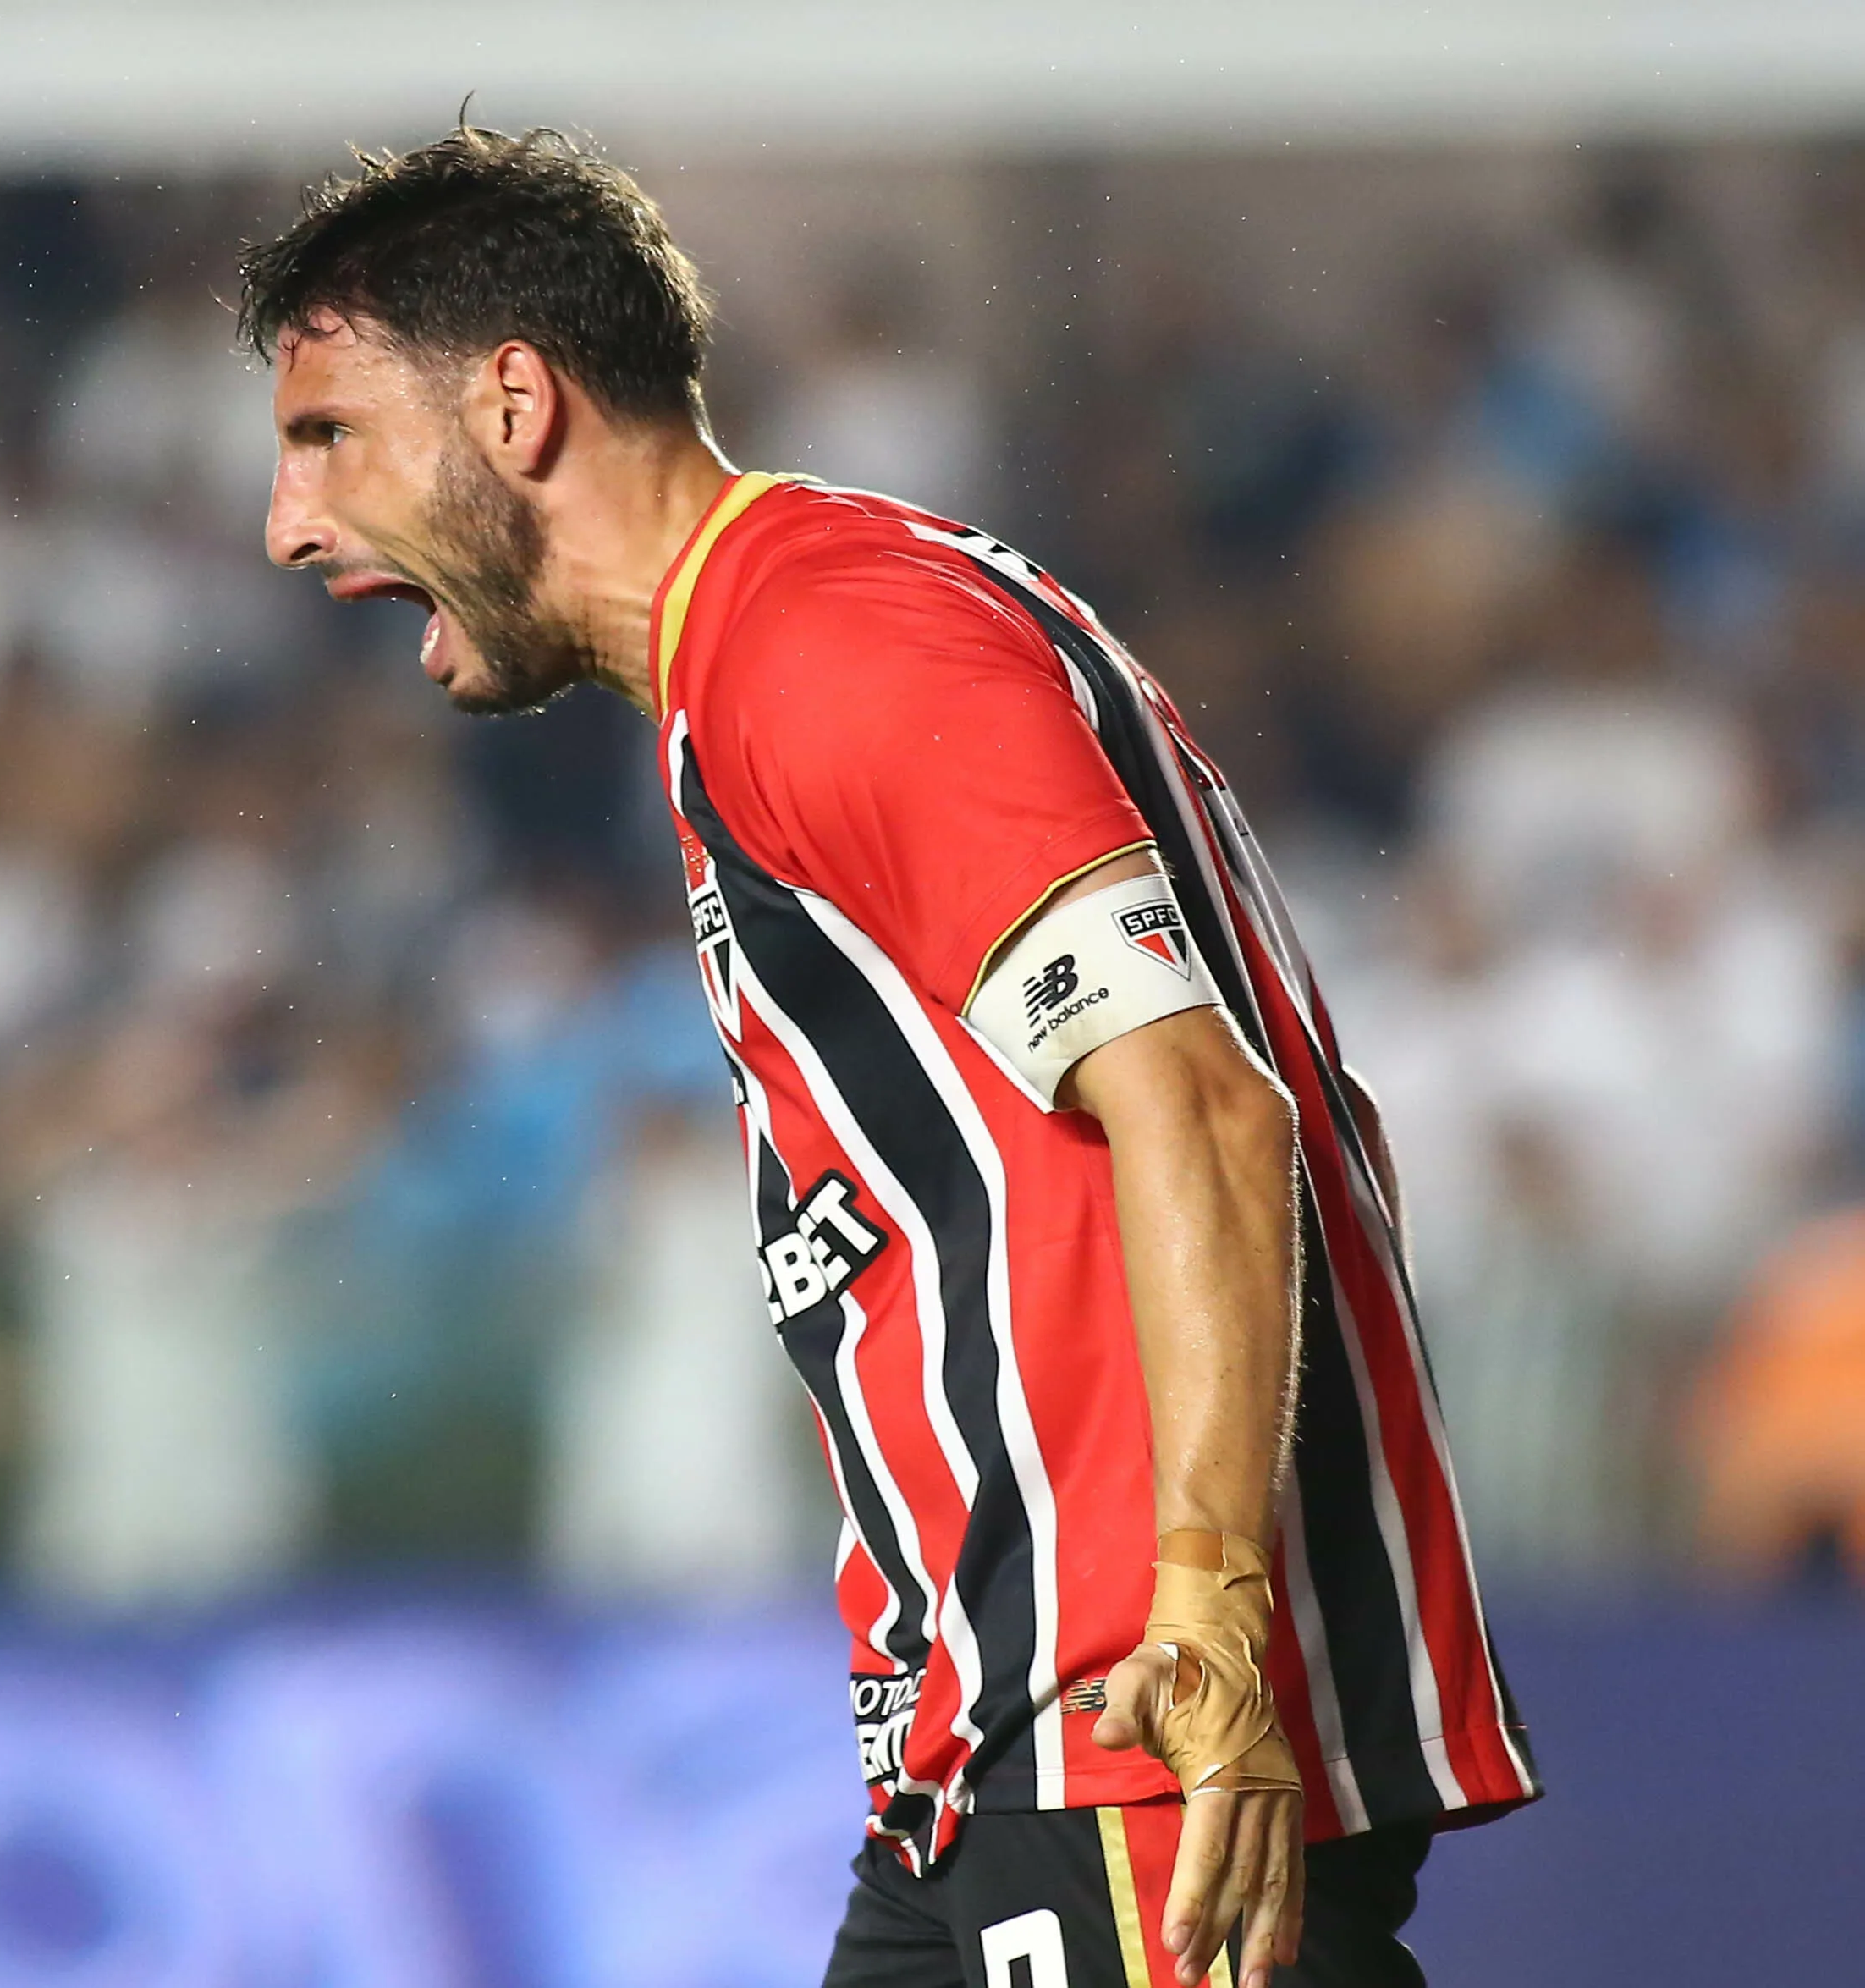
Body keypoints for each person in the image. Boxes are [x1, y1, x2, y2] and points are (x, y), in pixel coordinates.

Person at [241, 127, 1537, 1988]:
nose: (288, 525)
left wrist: (1202, 1615)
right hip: (991, 1737)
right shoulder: (774, 648)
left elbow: (1201, 1106)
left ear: (514, 405)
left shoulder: (831, 646)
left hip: (1123, 1724)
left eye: (328, 436)